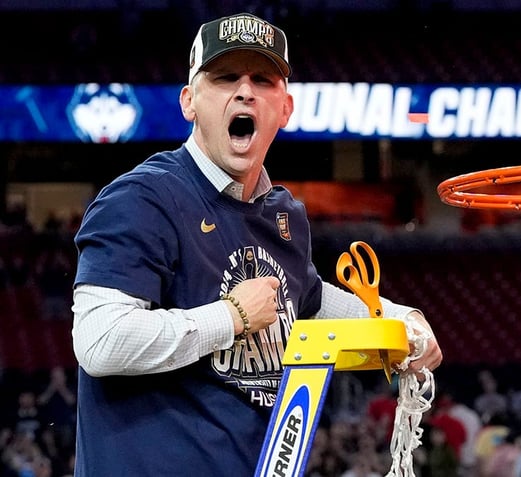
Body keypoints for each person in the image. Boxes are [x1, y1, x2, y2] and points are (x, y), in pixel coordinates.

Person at [70, 12, 442, 476]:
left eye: (263, 79)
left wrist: (399, 319)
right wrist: (232, 316)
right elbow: (100, 341)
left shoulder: (282, 214)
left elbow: (309, 299)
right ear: (189, 102)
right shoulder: (142, 198)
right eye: (225, 78)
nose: (245, 90)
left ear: (284, 109)